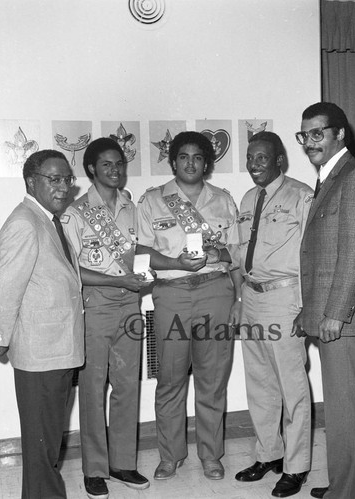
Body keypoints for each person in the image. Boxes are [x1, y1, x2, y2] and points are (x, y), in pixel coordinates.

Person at [136, 131, 240, 481]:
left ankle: (211, 455)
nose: (191, 163)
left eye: (198, 157)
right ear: (174, 161)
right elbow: (141, 252)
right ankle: (170, 456)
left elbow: (236, 254)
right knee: (170, 378)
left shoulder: (223, 201)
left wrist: (219, 255)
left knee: (212, 379)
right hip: (172, 294)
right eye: (183, 156)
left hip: (215, 291)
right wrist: (176, 262)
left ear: (207, 163)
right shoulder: (152, 201)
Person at [292, 102, 355, 499]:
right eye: (304, 134)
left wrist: (334, 314)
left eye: (317, 133)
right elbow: (324, 255)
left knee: (346, 414)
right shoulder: (330, 177)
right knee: (340, 411)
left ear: (340, 134)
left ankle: (351, 494)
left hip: (341, 318)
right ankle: (343, 486)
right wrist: (308, 311)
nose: (309, 142)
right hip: (328, 312)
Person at [0, 150, 84, 499]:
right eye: (53, 180)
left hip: (56, 350)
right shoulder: (25, 223)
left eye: (66, 180)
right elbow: (3, 287)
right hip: (40, 353)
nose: (63, 187)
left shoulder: (47, 219)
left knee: (46, 442)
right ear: (32, 182)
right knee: (42, 446)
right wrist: (2, 336)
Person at [62, 138, 150, 499]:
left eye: (119, 164)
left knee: (128, 385)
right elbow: (72, 268)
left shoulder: (132, 207)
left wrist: (148, 272)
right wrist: (119, 279)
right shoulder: (76, 212)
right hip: (95, 305)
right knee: (94, 387)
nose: (115, 170)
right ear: (91, 170)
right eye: (107, 165)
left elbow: (139, 251)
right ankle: (95, 468)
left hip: (130, 303)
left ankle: (123, 461)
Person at [230, 131, 313, 498]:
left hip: (284, 298)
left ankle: (296, 467)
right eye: (250, 158)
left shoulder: (301, 196)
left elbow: (314, 256)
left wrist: (307, 305)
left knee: (292, 387)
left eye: (262, 157)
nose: (254, 164)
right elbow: (238, 252)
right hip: (251, 297)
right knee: (260, 384)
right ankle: (269, 454)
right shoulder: (248, 199)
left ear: (280, 159)